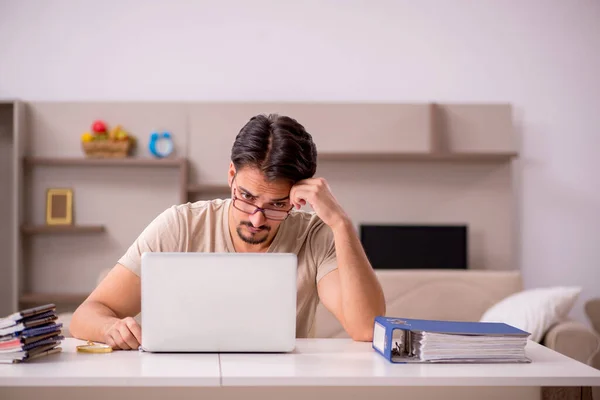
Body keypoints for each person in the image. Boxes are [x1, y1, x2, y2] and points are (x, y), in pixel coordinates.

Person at [70, 114, 386, 350]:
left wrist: (341, 222)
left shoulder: (315, 235)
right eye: (247, 197)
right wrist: (112, 327)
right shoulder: (181, 225)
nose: (258, 219)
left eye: (277, 204)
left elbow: (366, 329)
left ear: (298, 197)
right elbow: (85, 315)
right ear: (231, 175)